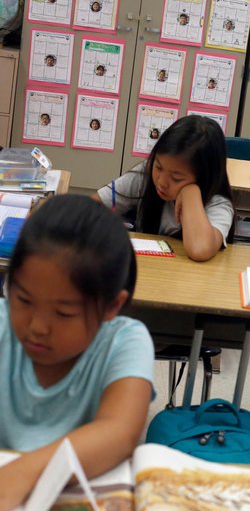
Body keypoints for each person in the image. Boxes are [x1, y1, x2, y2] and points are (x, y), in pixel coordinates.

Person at [0, 195, 154, 509]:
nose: (38, 327)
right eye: (24, 301)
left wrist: (23, 473)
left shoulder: (124, 341)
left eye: (64, 314)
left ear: (112, 306)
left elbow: (119, 431)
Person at [94, 115, 234, 262]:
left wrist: (190, 193)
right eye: (158, 167)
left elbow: (199, 250)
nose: (161, 182)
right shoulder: (144, 176)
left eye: (176, 178)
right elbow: (92, 207)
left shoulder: (218, 204)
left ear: (204, 178)